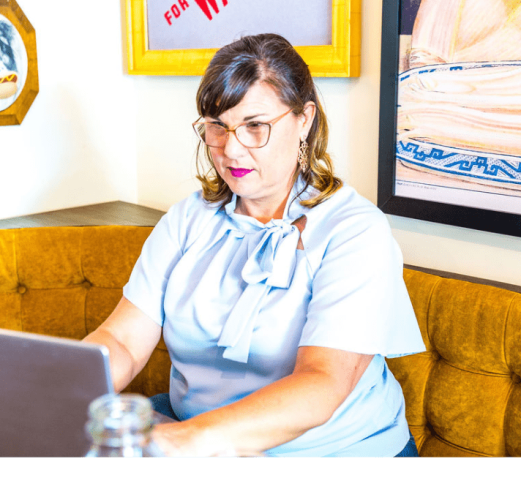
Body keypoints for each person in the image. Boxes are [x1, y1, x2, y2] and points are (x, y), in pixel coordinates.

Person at [83, 33, 426, 457]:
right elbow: (121, 340)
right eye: (217, 127)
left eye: (255, 126)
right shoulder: (187, 220)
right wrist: (57, 388)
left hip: (330, 449)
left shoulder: (355, 231)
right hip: (194, 434)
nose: (230, 148)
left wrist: (183, 440)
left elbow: (321, 383)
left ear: (304, 120)